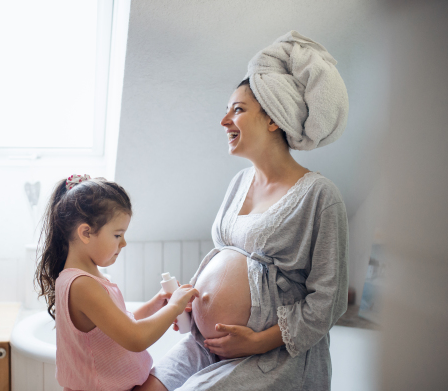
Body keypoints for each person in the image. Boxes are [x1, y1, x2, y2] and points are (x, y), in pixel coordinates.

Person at [136, 31, 350, 390]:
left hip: (273, 355)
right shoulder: (239, 183)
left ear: (273, 119)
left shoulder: (319, 195)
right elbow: (230, 261)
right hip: (208, 343)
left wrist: (257, 341)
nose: (224, 121)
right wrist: (194, 303)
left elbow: (328, 302)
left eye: (237, 110)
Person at [35, 175, 199, 391]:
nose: (123, 242)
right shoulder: (82, 285)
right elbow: (135, 338)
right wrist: (175, 306)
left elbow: (117, 327)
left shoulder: (83, 277)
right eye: (117, 234)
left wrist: (158, 304)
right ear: (85, 233)